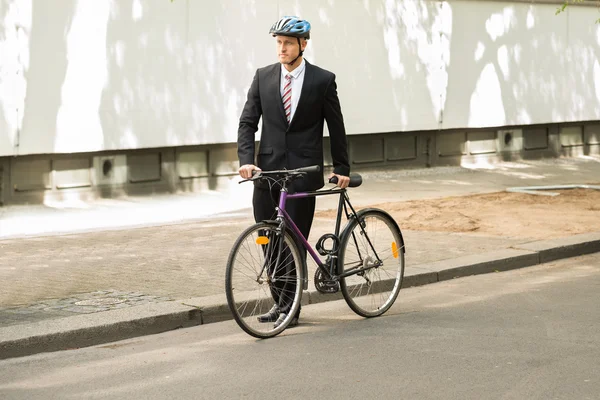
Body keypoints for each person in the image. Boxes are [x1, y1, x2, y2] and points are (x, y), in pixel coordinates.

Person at [237, 15, 350, 328]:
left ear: (303, 44)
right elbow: (247, 123)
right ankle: (281, 302)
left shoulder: (322, 80)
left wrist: (342, 166)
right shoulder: (262, 77)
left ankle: (290, 308)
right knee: (266, 238)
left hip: (302, 173)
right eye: (278, 42)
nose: (281, 48)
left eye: (287, 42)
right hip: (266, 173)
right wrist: (247, 159)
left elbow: (336, 126)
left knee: (292, 241)